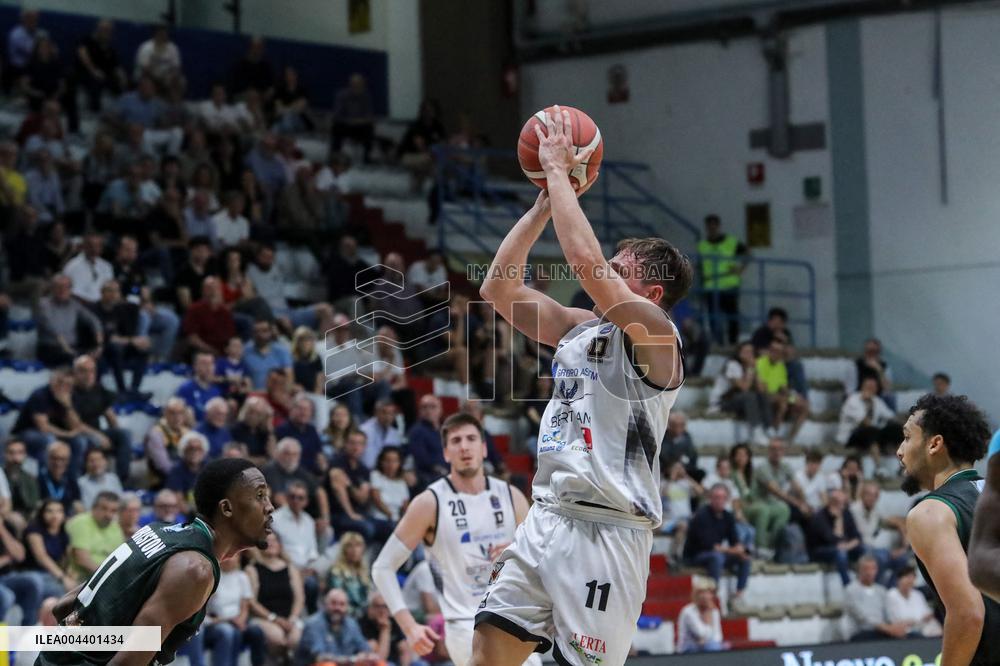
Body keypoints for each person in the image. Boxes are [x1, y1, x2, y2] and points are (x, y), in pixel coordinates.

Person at [473, 111, 688, 666]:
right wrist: (544, 201)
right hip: (547, 516)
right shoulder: (578, 327)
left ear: (652, 291)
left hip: (608, 531)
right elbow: (499, 287)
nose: (605, 272)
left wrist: (561, 175)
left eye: (623, 269)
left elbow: (587, 262)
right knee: (486, 653)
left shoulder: (659, 338)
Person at [38, 458, 274, 665]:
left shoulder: (158, 531)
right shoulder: (195, 569)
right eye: (260, 495)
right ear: (226, 508)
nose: (270, 507)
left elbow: (64, 606)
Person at [372, 412, 533, 666]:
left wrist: (517, 551)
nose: (464, 446)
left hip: (513, 619)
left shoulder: (512, 497)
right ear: (446, 453)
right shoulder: (429, 502)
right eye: (456, 441)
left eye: (471, 439)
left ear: (483, 449)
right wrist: (410, 626)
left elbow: (539, 562)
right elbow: (382, 568)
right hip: (464, 625)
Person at [893, 394, 1000, 666]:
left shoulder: (930, 513)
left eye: (907, 437)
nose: (899, 451)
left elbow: (968, 613)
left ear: (934, 444)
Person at [71, 354, 133, 484]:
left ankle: (122, 481)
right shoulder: (68, 391)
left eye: (92, 371)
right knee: (83, 442)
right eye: (84, 371)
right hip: (75, 434)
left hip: (96, 431)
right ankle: (79, 483)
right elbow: (75, 424)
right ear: (75, 373)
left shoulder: (98, 389)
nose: (89, 375)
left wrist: (114, 434)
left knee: (124, 434)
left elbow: (108, 413)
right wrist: (99, 436)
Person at [682, 484, 751, 599]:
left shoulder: (727, 516)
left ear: (727, 499)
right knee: (717, 557)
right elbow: (709, 545)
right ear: (710, 498)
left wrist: (740, 549)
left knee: (745, 558)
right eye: (716, 497)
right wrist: (734, 550)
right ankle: (713, 593)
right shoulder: (702, 515)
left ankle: (739, 594)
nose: (720, 501)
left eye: (723, 498)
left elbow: (734, 539)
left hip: (715, 552)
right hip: (696, 554)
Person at [246, 531, 305, 663]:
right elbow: (252, 602)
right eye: (268, 541)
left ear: (280, 545)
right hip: (264, 617)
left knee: (296, 639)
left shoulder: (291, 568)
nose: (271, 544)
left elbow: (299, 598)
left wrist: (293, 618)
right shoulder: (252, 569)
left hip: (289, 618)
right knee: (278, 639)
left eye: (275, 540)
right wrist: (274, 618)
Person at [698, 214, 748, 345]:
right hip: (710, 286)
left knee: (732, 316)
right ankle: (718, 342)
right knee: (714, 317)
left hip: (729, 285)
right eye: (709, 226)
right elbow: (701, 265)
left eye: (714, 226)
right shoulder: (702, 245)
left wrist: (740, 269)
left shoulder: (730, 242)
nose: (712, 229)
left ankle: (733, 342)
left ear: (718, 226)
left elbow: (747, 253)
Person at [709, 340, 770, 444]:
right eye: (745, 351)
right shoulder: (732, 365)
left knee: (762, 396)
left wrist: (755, 370)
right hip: (722, 402)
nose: (749, 355)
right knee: (749, 396)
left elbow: (761, 390)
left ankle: (768, 429)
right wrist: (751, 369)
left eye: (751, 352)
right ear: (739, 353)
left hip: (738, 401)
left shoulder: (750, 367)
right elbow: (744, 387)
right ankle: (756, 431)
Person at [295, 588, 376, 666]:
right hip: (316, 664)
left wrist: (366, 656)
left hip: (344, 664)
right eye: (333, 603)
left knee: (378, 663)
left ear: (347, 607)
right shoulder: (313, 624)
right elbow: (320, 657)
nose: (337, 608)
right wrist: (352, 659)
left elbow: (365, 649)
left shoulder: (351, 624)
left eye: (342, 604)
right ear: (325, 604)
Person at [844, 555, 913, 641]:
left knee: (912, 636)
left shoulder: (881, 590)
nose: (870, 572)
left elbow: (888, 614)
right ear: (859, 570)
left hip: (882, 632)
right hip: (861, 633)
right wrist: (886, 628)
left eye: (873, 568)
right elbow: (862, 617)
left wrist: (897, 626)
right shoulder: (850, 590)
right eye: (866, 569)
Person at [756, 339, 809, 443]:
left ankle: (790, 439)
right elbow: (762, 388)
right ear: (769, 350)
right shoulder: (760, 362)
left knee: (804, 405)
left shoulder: (781, 366)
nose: (776, 353)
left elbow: (783, 387)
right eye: (773, 350)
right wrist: (782, 396)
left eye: (779, 351)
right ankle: (773, 435)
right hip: (763, 395)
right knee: (783, 403)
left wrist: (794, 397)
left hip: (778, 396)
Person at [23, 498, 76, 600]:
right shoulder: (34, 530)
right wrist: (63, 578)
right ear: (42, 513)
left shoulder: (64, 534)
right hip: (33, 573)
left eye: (59, 511)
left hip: (52, 574)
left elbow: (68, 559)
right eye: (49, 511)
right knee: (60, 590)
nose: (54, 515)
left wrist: (70, 575)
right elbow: (42, 557)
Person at [66, 490, 123, 578]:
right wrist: (107, 577)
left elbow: (120, 559)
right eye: (104, 508)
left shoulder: (115, 527)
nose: (108, 514)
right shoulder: (81, 522)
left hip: (103, 577)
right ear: (94, 508)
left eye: (113, 511)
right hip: (82, 579)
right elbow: (82, 560)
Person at [886, 565, 941, 638]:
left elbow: (928, 615)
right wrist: (917, 621)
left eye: (912, 578)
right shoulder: (891, 595)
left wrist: (916, 621)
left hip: (923, 631)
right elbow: (895, 621)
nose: (910, 581)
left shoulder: (918, 594)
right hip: (904, 633)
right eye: (907, 577)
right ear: (899, 579)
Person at [327, 531, 372, 618]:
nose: (354, 550)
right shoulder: (336, 571)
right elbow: (338, 599)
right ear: (344, 549)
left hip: (364, 614)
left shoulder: (364, 572)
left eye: (358, 545)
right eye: (350, 546)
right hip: (345, 614)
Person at [676, 579, 726, 653]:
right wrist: (708, 616)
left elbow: (718, 636)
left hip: (707, 646)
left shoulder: (714, 611)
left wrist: (705, 640)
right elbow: (700, 633)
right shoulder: (688, 612)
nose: (705, 596)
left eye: (708, 593)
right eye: (701, 593)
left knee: (715, 646)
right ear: (695, 595)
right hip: (687, 649)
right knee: (712, 646)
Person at [176, 352, 224, 422]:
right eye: (204, 364)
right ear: (195, 366)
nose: (209, 368)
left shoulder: (216, 391)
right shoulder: (186, 388)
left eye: (211, 364)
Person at [659, 411, 704, 484]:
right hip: (665, 470)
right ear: (670, 425)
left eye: (681, 425)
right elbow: (662, 455)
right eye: (675, 425)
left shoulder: (687, 438)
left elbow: (691, 456)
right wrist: (671, 466)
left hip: (683, 470)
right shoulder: (662, 437)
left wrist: (682, 466)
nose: (678, 428)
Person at [370, 446, 411, 522]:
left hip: (397, 520)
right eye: (387, 461)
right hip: (379, 518)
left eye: (395, 461)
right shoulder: (376, 475)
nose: (391, 464)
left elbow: (405, 505)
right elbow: (377, 500)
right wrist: (392, 516)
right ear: (381, 462)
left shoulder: (401, 482)